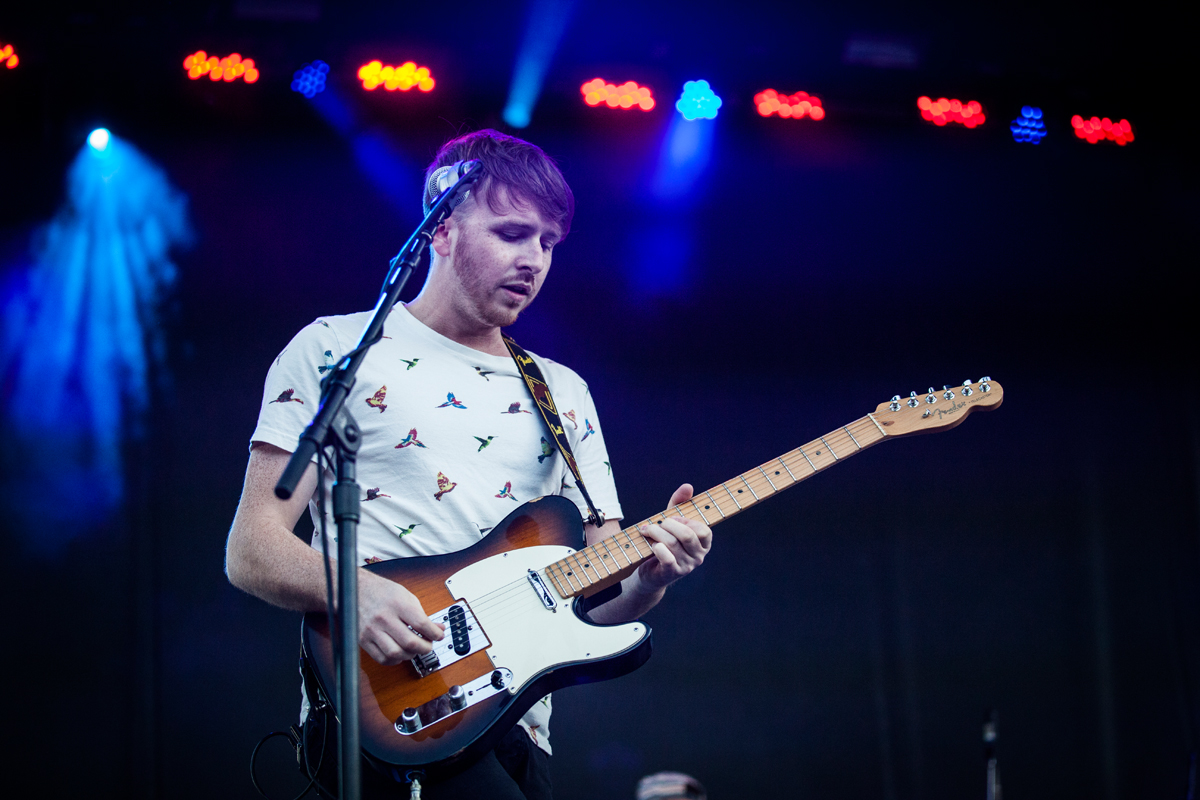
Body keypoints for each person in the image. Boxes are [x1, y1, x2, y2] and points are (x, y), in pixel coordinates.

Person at [224, 129, 713, 799]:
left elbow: (599, 600)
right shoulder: (334, 349)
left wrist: (654, 579)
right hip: (393, 707)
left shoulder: (561, 391)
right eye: (512, 234)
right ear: (442, 226)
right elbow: (250, 548)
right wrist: (354, 591)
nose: (534, 260)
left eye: (547, 243)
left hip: (520, 725)